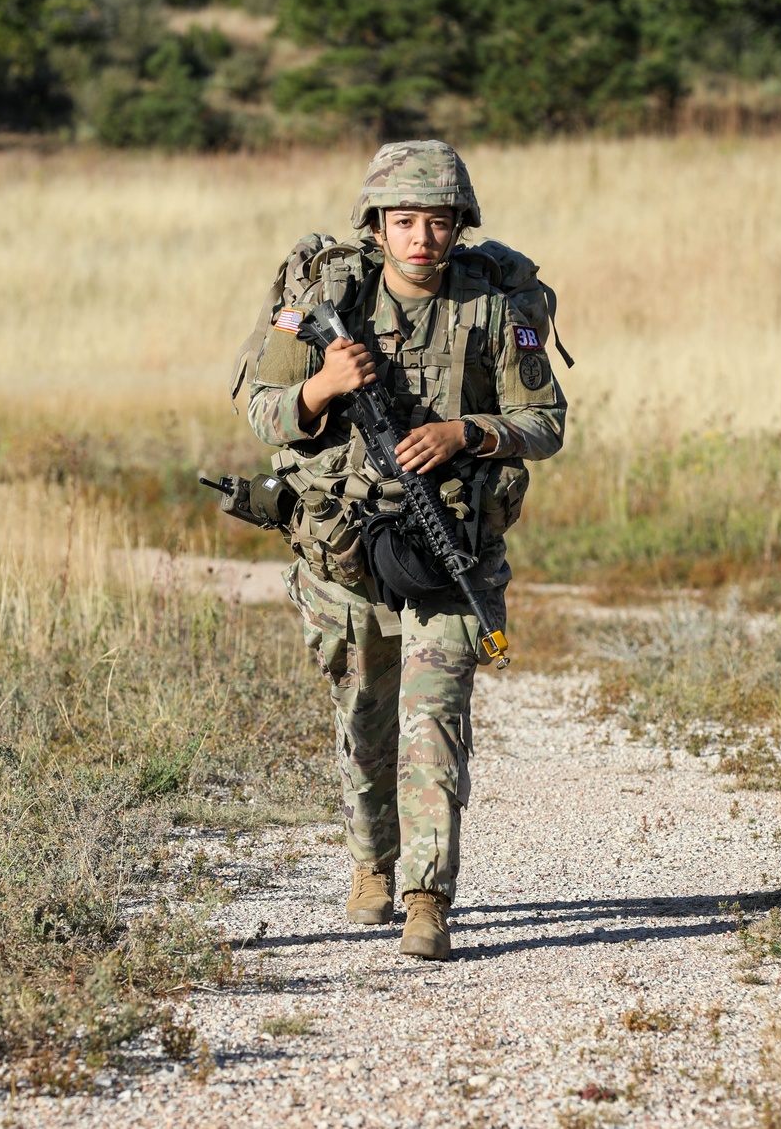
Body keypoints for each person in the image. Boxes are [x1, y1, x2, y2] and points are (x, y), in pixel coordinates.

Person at [245, 140, 566, 960]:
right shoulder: (322, 302)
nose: (420, 236)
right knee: (363, 722)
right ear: (377, 226)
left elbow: (548, 423)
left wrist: (470, 431)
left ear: (460, 225)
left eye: (437, 220)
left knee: (435, 721)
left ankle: (428, 898)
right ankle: (372, 868)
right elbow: (260, 409)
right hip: (346, 549)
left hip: (449, 543)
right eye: (403, 220)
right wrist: (323, 387)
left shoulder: (495, 310)